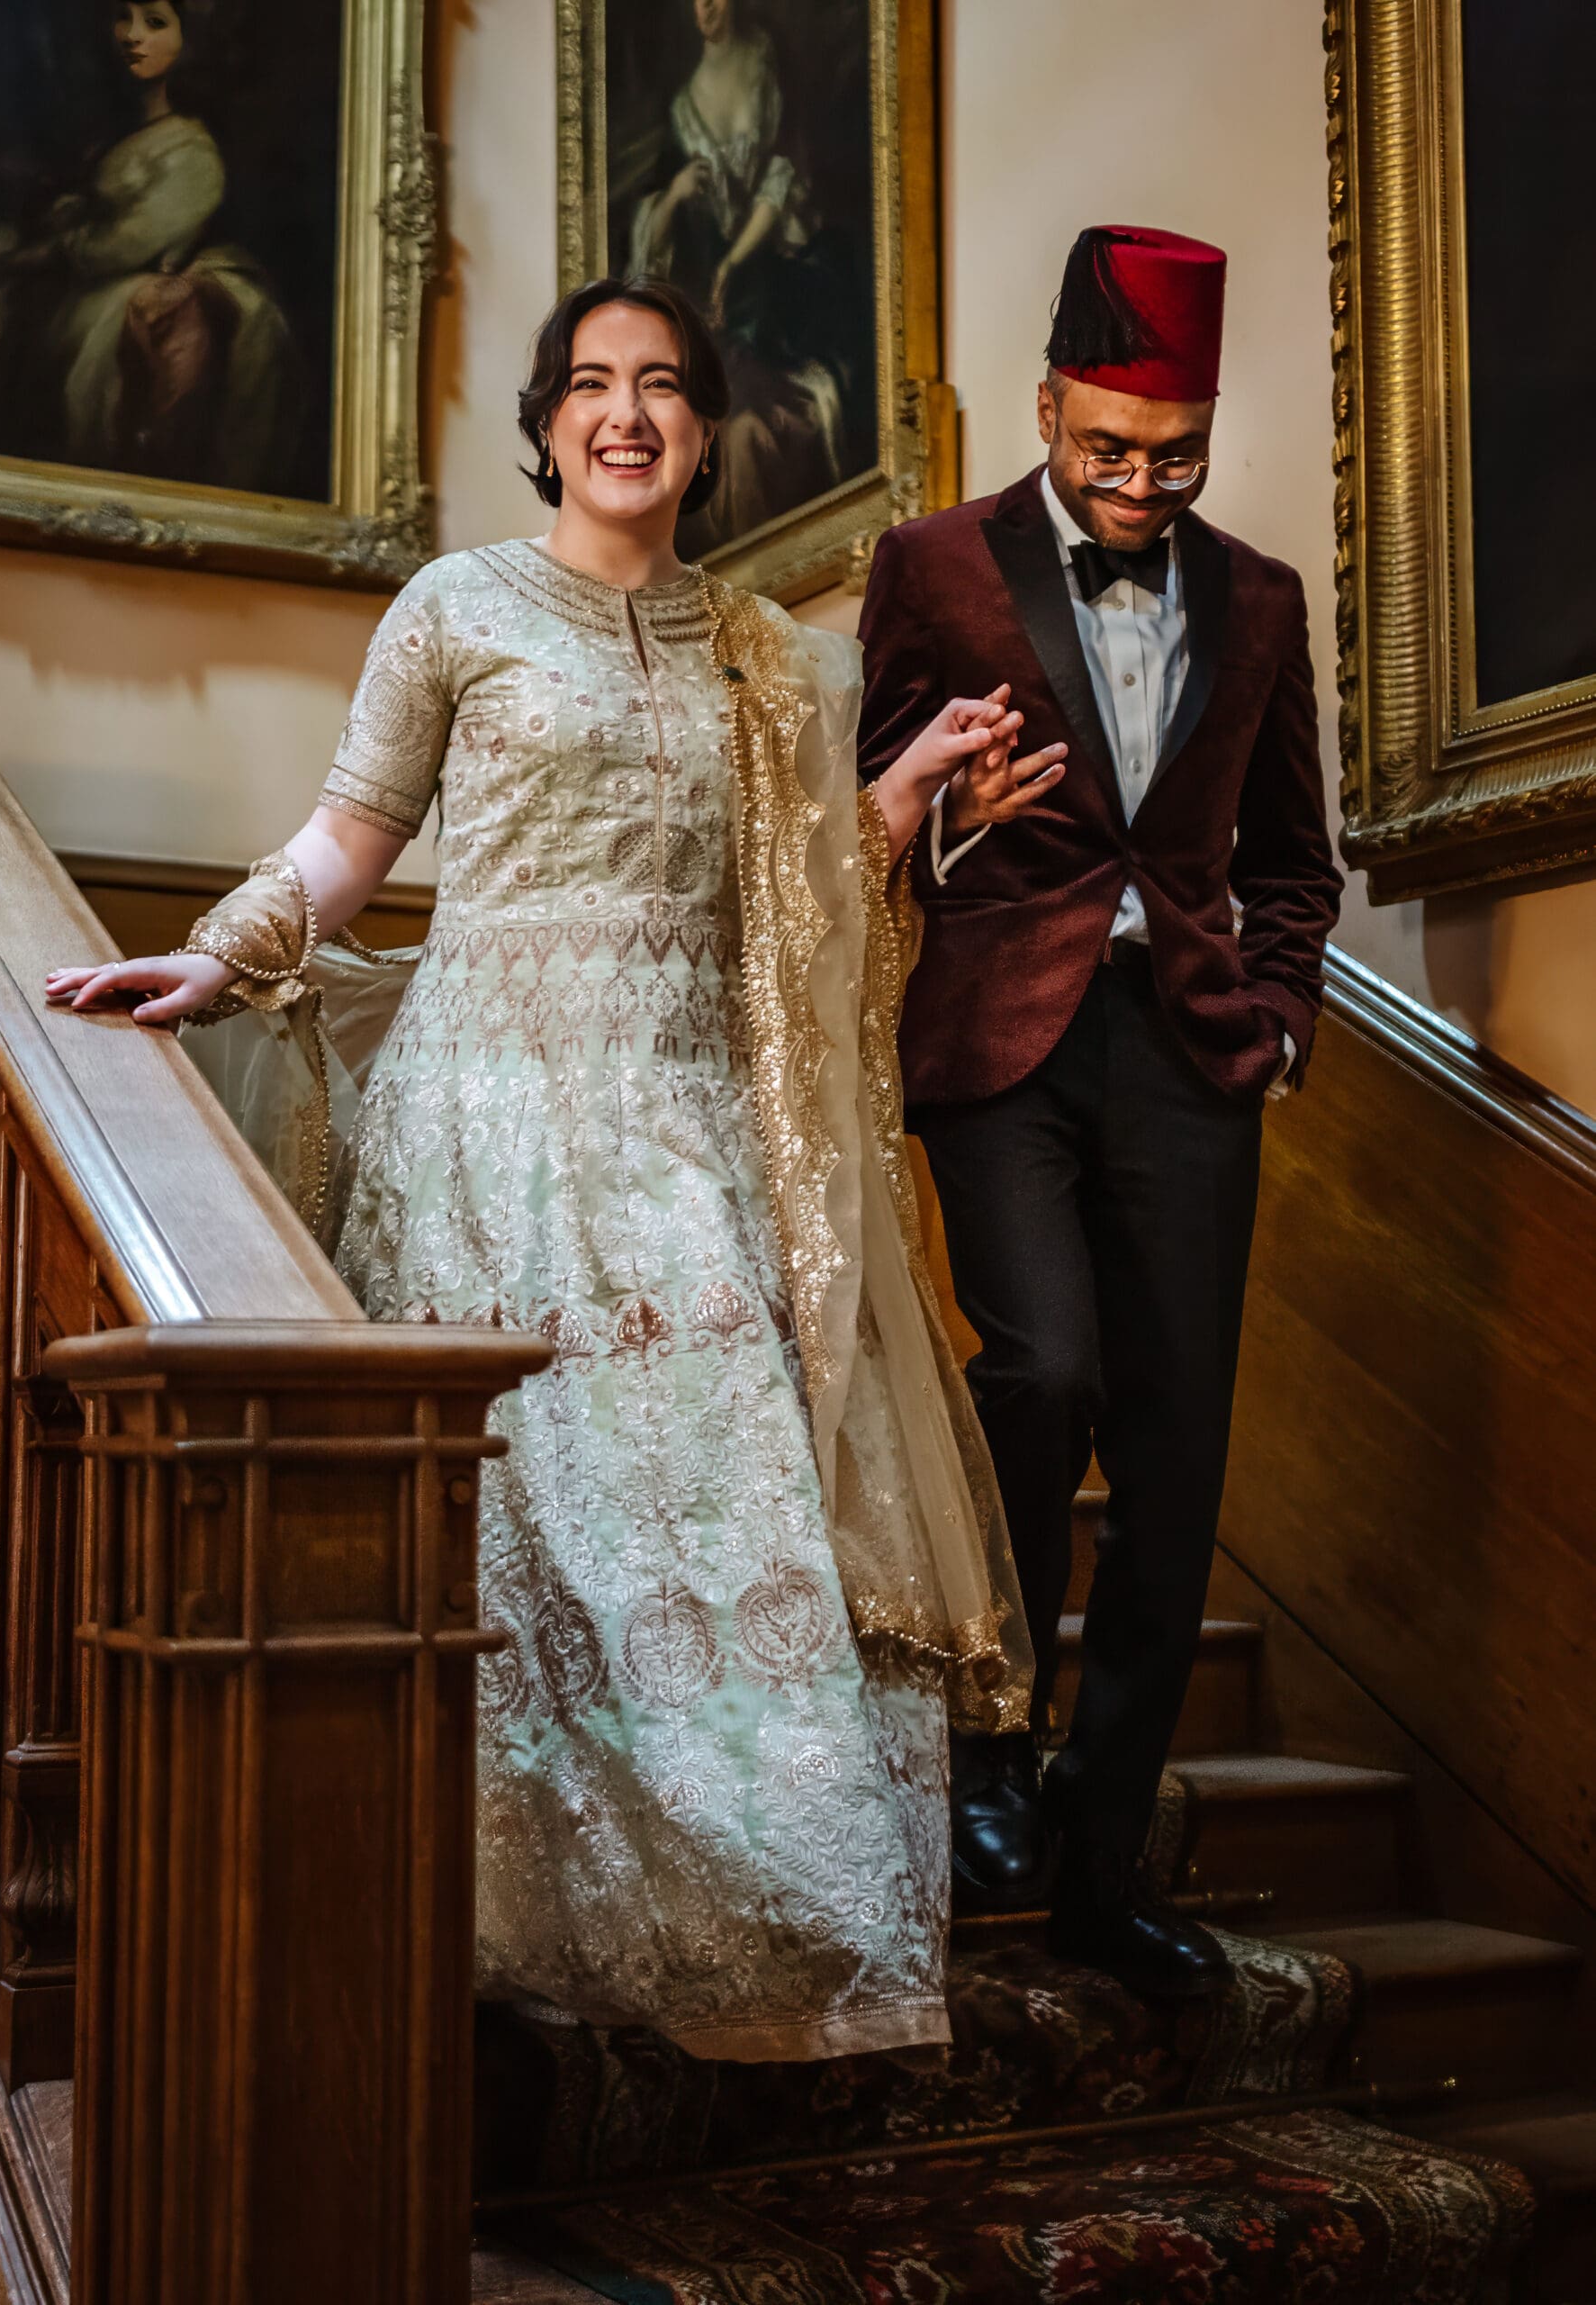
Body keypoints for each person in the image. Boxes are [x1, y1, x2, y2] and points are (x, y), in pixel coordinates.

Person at [47, 276, 1066, 2062]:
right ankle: (496, 1911)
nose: (625, 411)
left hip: (689, 1122)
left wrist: (909, 792)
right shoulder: (457, 606)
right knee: (528, 1520)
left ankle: (768, 1925)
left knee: (724, 1495)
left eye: (661, 384)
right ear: (545, 423)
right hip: (490, 1114)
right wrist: (219, 952)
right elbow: (351, 835)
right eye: (590, 383)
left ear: (704, 430)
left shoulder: (772, 655)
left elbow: (791, 900)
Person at [857, 226, 1343, 1996]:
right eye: (1109, 450)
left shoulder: (1262, 599)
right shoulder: (931, 565)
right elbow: (862, 804)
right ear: (1049, 404)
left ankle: (1103, 1851)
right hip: (1002, 1040)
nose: (1140, 486)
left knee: (1174, 1452)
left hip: (1191, 1054)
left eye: (1176, 455)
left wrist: (1274, 1017)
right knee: (1041, 1367)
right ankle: (989, 1735)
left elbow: (1292, 859)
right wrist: (950, 806)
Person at [0, 0, 298, 489]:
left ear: (189, 40)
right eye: (123, 17)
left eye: (155, 23)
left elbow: (122, 243)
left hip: (114, 283)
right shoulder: (111, 136)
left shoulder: (192, 151)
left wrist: (40, 254)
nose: (132, 35)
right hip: (84, 282)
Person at [627, 0, 861, 551]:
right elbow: (654, 233)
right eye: (695, 1)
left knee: (758, 423)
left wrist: (735, 261)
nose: (705, 9)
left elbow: (784, 175)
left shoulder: (765, 62)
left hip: (782, 270)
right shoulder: (684, 103)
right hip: (724, 292)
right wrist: (677, 195)